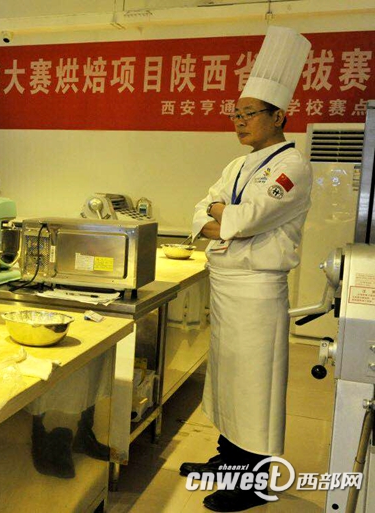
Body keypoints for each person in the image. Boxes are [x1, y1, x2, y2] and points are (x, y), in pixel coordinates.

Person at [181, 26, 312, 512]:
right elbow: (202, 211)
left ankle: (253, 483)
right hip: (225, 287)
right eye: (235, 114)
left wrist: (226, 219)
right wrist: (222, 218)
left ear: (278, 116)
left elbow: (248, 219)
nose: (240, 122)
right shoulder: (238, 166)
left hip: (258, 291)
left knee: (255, 388)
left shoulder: (293, 167)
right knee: (227, 383)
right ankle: (227, 458)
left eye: (249, 113)